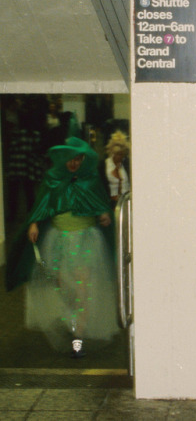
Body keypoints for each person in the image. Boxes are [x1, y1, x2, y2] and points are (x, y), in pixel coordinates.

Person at [7, 137, 120, 358]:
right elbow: (43, 202)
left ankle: (78, 340)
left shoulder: (90, 178)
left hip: (86, 240)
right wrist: (34, 222)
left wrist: (104, 213)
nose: (74, 163)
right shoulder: (53, 178)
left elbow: (98, 201)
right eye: (70, 159)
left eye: (78, 159)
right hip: (59, 240)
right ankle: (73, 316)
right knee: (62, 284)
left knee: (82, 289)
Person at [101, 130, 131, 209]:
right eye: (118, 154)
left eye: (122, 154)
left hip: (126, 202)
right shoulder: (103, 165)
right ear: (112, 152)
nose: (120, 157)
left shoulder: (127, 164)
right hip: (109, 204)